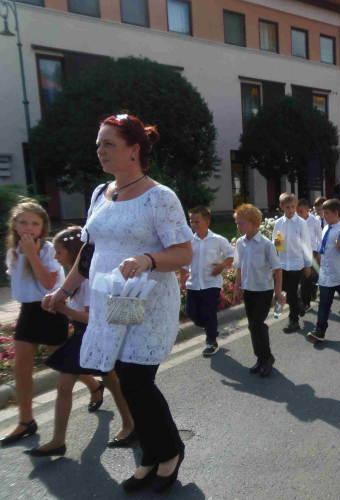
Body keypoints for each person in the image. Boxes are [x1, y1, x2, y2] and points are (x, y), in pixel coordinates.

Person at [43, 114, 192, 492]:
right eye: (98, 144)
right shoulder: (100, 194)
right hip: (113, 302)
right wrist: (63, 290)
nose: (100, 151)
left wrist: (148, 259)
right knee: (127, 381)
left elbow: (184, 252)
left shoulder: (160, 197)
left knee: (137, 379)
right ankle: (153, 454)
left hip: (148, 302)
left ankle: (169, 451)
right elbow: (89, 252)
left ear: (134, 149)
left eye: (108, 144)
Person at [29, 227, 136, 457]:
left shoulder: (88, 280)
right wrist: (55, 298)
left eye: (59, 252)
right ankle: (60, 439)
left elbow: (92, 318)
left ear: (74, 252)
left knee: (104, 380)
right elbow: (66, 295)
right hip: (83, 333)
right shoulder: (74, 278)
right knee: (104, 381)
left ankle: (129, 424)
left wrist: (63, 308)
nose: (56, 257)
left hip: (91, 333)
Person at [1, 200, 67, 446]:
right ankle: (26, 420)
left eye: (35, 223)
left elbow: (50, 284)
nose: (28, 227)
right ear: (15, 225)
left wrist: (32, 254)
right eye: (23, 222)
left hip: (50, 309)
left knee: (63, 364)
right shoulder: (12, 252)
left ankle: (95, 386)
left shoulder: (48, 249)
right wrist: (24, 253)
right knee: (21, 369)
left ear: (43, 227)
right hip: (28, 311)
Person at [232, 204, 284, 378]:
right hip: (249, 290)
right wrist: (237, 288)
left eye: (241, 223)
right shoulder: (240, 243)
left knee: (257, 324)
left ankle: (267, 358)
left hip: (264, 290)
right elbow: (239, 267)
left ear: (254, 223)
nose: (238, 227)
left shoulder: (266, 245)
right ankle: (261, 358)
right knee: (252, 326)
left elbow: (277, 269)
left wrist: (278, 292)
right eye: (237, 223)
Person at [179, 206, 234, 357]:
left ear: (207, 222)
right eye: (191, 221)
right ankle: (211, 329)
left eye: (197, 221)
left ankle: (211, 341)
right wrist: (182, 282)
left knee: (209, 312)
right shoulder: (189, 242)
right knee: (192, 313)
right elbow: (184, 263)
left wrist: (222, 265)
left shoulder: (218, 240)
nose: (193, 224)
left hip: (212, 283)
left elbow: (231, 255)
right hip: (194, 284)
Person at [307, 199, 340, 342]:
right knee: (324, 304)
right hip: (326, 275)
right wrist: (320, 253)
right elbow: (324, 244)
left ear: (336, 213)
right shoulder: (326, 227)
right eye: (322, 212)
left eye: (326, 213)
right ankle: (320, 331)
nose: (323, 215)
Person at [272, 193, 312, 334]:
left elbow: (306, 244)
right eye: (287, 207)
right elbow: (274, 243)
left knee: (291, 292)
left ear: (296, 206)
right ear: (281, 207)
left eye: (293, 207)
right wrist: (275, 243)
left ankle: (293, 320)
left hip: (296, 263)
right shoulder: (278, 223)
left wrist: (308, 264)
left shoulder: (301, 223)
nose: (290, 210)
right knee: (284, 290)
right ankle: (299, 305)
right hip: (282, 263)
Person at [296, 199, 322, 314]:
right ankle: (311, 291)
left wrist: (320, 252)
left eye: (301, 211)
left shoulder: (314, 221)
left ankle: (305, 303)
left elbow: (320, 238)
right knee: (303, 278)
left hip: (311, 252)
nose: (299, 214)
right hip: (298, 252)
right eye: (297, 211)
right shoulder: (296, 221)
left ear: (308, 210)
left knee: (306, 278)